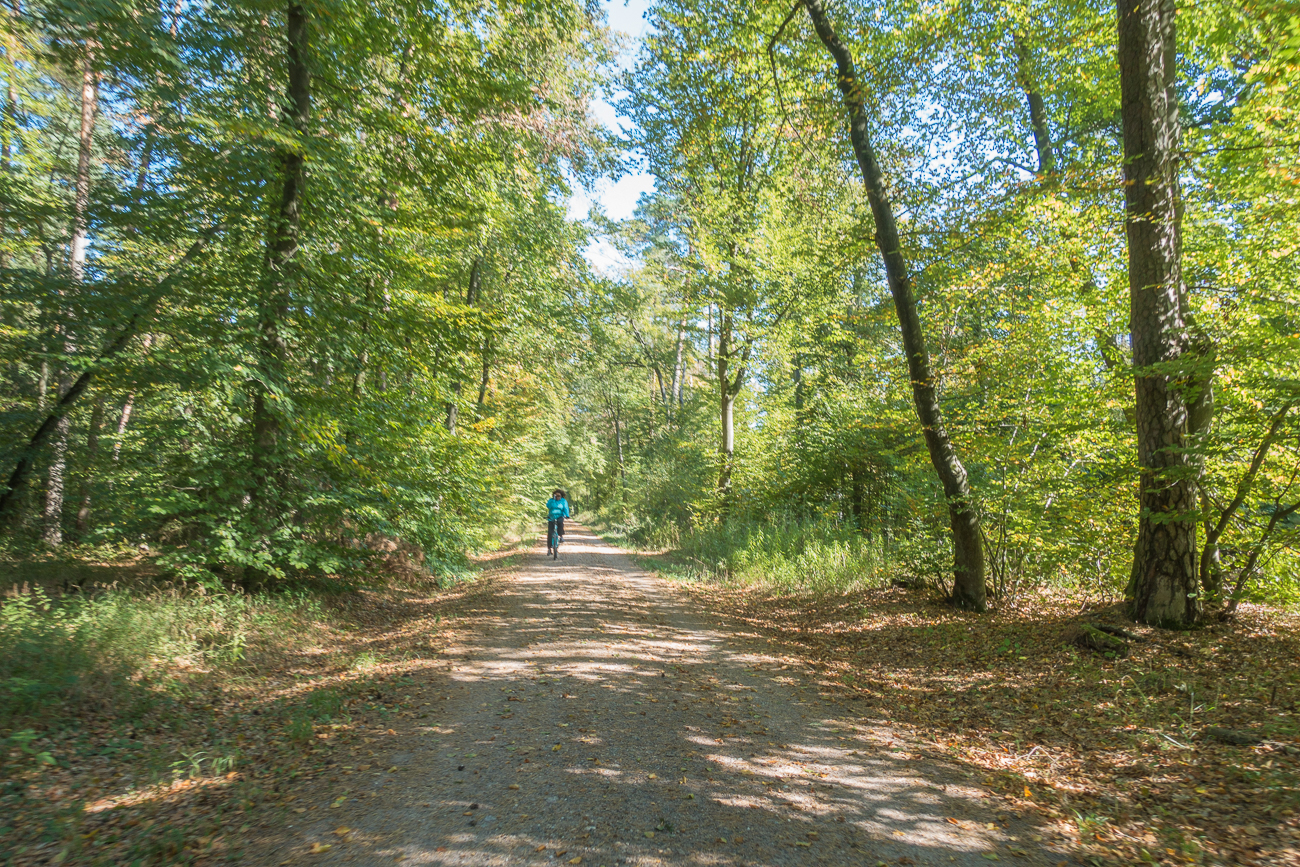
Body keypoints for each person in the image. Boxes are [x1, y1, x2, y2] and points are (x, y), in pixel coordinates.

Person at [546, 489, 570, 555]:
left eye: (559, 496)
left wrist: (567, 515)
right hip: (551, 517)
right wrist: (553, 500)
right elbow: (548, 506)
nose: (557, 497)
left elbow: (565, 508)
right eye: (556, 496)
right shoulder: (551, 501)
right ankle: (549, 548)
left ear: (561, 496)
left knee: (560, 524)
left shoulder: (563, 501)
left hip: (559, 516)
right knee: (550, 533)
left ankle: (561, 536)